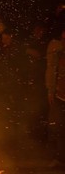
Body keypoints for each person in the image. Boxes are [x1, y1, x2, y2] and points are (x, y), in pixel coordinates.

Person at [45, 23, 65, 167]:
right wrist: (51, 90)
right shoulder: (57, 51)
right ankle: (59, 158)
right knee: (57, 128)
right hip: (60, 95)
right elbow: (51, 70)